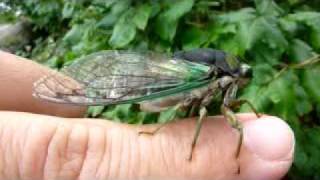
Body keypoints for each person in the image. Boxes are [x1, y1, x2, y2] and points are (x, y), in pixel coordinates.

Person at [0, 50, 294, 180]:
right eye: (241, 77)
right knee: (202, 113)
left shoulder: (226, 77)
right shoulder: (214, 75)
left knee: (201, 109)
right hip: (174, 81)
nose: (242, 82)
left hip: (186, 77)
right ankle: (161, 134)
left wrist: (254, 115)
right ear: (232, 74)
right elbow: (200, 107)